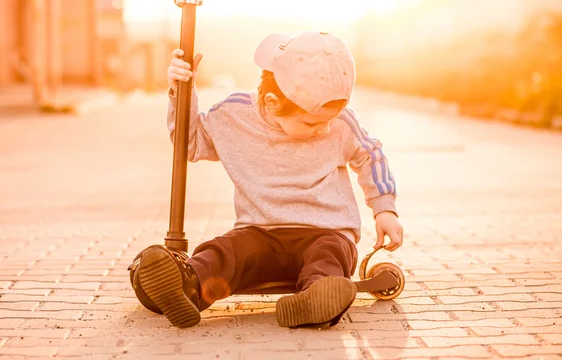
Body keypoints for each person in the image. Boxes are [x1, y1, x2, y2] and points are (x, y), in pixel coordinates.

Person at [135, 31, 404, 329]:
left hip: (326, 231)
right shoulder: (233, 115)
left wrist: (385, 209)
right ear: (273, 102)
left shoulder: (341, 123)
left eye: (331, 120)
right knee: (227, 252)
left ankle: (319, 297)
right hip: (260, 233)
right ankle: (185, 285)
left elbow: (371, 154)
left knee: (329, 255)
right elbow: (191, 144)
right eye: (313, 123)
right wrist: (181, 92)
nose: (326, 130)